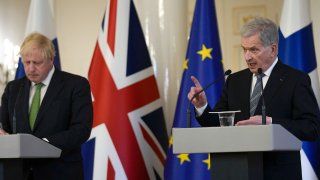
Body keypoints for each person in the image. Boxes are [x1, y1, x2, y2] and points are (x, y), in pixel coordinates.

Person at [188, 17, 320, 179]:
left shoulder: (295, 80)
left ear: (273, 49)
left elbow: (311, 128)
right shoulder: (234, 80)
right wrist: (202, 106)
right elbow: (217, 122)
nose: (247, 57)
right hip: (237, 171)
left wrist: (269, 122)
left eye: (254, 50)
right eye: (244, 49)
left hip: (278, 174)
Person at [0, 32, 93, 180]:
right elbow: (4, 126)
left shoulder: (76, 85)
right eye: (26, 62)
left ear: (51, 59)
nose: (31, 69)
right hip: (19, 173)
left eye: (37, 63)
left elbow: (81, 130)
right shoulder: (13, 88)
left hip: (60, 172)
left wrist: (42, 144)